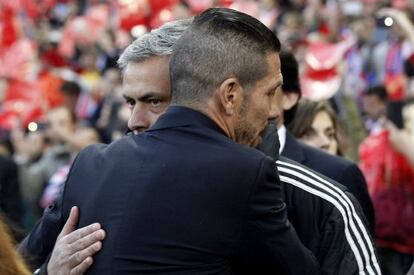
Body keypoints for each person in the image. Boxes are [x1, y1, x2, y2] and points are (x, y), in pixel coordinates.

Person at [22, 17, 379, 275]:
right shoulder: (95, 168)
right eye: (131, 102)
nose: (135, 121)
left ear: (200, 90)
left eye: (155, 101)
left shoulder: (319, 194)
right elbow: (17, 264)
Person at [258, 51, 376, 236]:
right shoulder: (226, 164)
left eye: (267, 89)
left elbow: (358, 255)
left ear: (289, 97)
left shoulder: (339, 173)